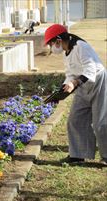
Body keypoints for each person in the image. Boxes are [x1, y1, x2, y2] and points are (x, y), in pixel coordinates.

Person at [44, 24, 107, 164]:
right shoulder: (67, 53)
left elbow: (90, 69)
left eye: (51, 43)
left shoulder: (81, 46)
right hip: (82, 85)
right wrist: (64, 89)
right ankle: (78, 154)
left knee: (101, 122)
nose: (51, 47)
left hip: (98, 82)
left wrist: (75, 83)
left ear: (59, 40)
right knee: (75, 119)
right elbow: (70, 73)